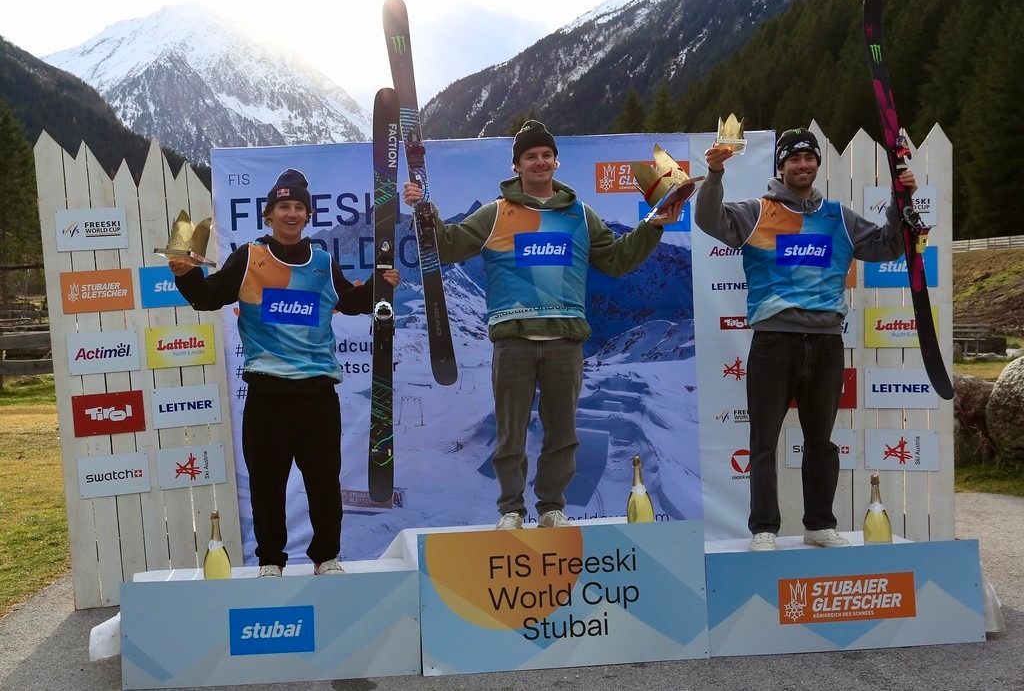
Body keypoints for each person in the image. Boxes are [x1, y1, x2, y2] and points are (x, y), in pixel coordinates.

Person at [402, 120, 682, 530]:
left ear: (556, 161)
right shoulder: (496, 213)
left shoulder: (581, 215)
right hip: (513, 339)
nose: (539, 161)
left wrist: (652, 225)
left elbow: (618, 260)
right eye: (530, 156)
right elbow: (448, 246)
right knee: (511, 433)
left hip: (565, 340)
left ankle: (552, 507)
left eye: (545, 154)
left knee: (563, 434)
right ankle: (511, 511)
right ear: (517, 166)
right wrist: (424, 210)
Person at [169, 168, 399, 576]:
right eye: (283, 207)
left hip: (316, 394)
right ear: (268, 215)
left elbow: (352, 301)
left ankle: (326, 557)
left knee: (324, 485)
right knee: (266, 486)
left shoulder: (323, 260)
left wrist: (382, 287)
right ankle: (271, 561)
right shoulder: (249, 257)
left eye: (298, 207)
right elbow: (208, 298)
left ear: (308, 216)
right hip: (267, 395)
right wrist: (187, 276)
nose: (291, 213)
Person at [695, 128, 914, 552]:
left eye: (808, 158)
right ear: (780, 167)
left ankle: (819, 525)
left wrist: (898, 202)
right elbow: (708, 220)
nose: (802, 165)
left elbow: (888, 248)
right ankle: (763, 529)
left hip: (828, 342)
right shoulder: (757, 211)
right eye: (793, 159)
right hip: (775, 342)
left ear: (816, 165)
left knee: (821, 442)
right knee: (763, 442)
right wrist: (715, 172)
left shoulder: (839, 216)